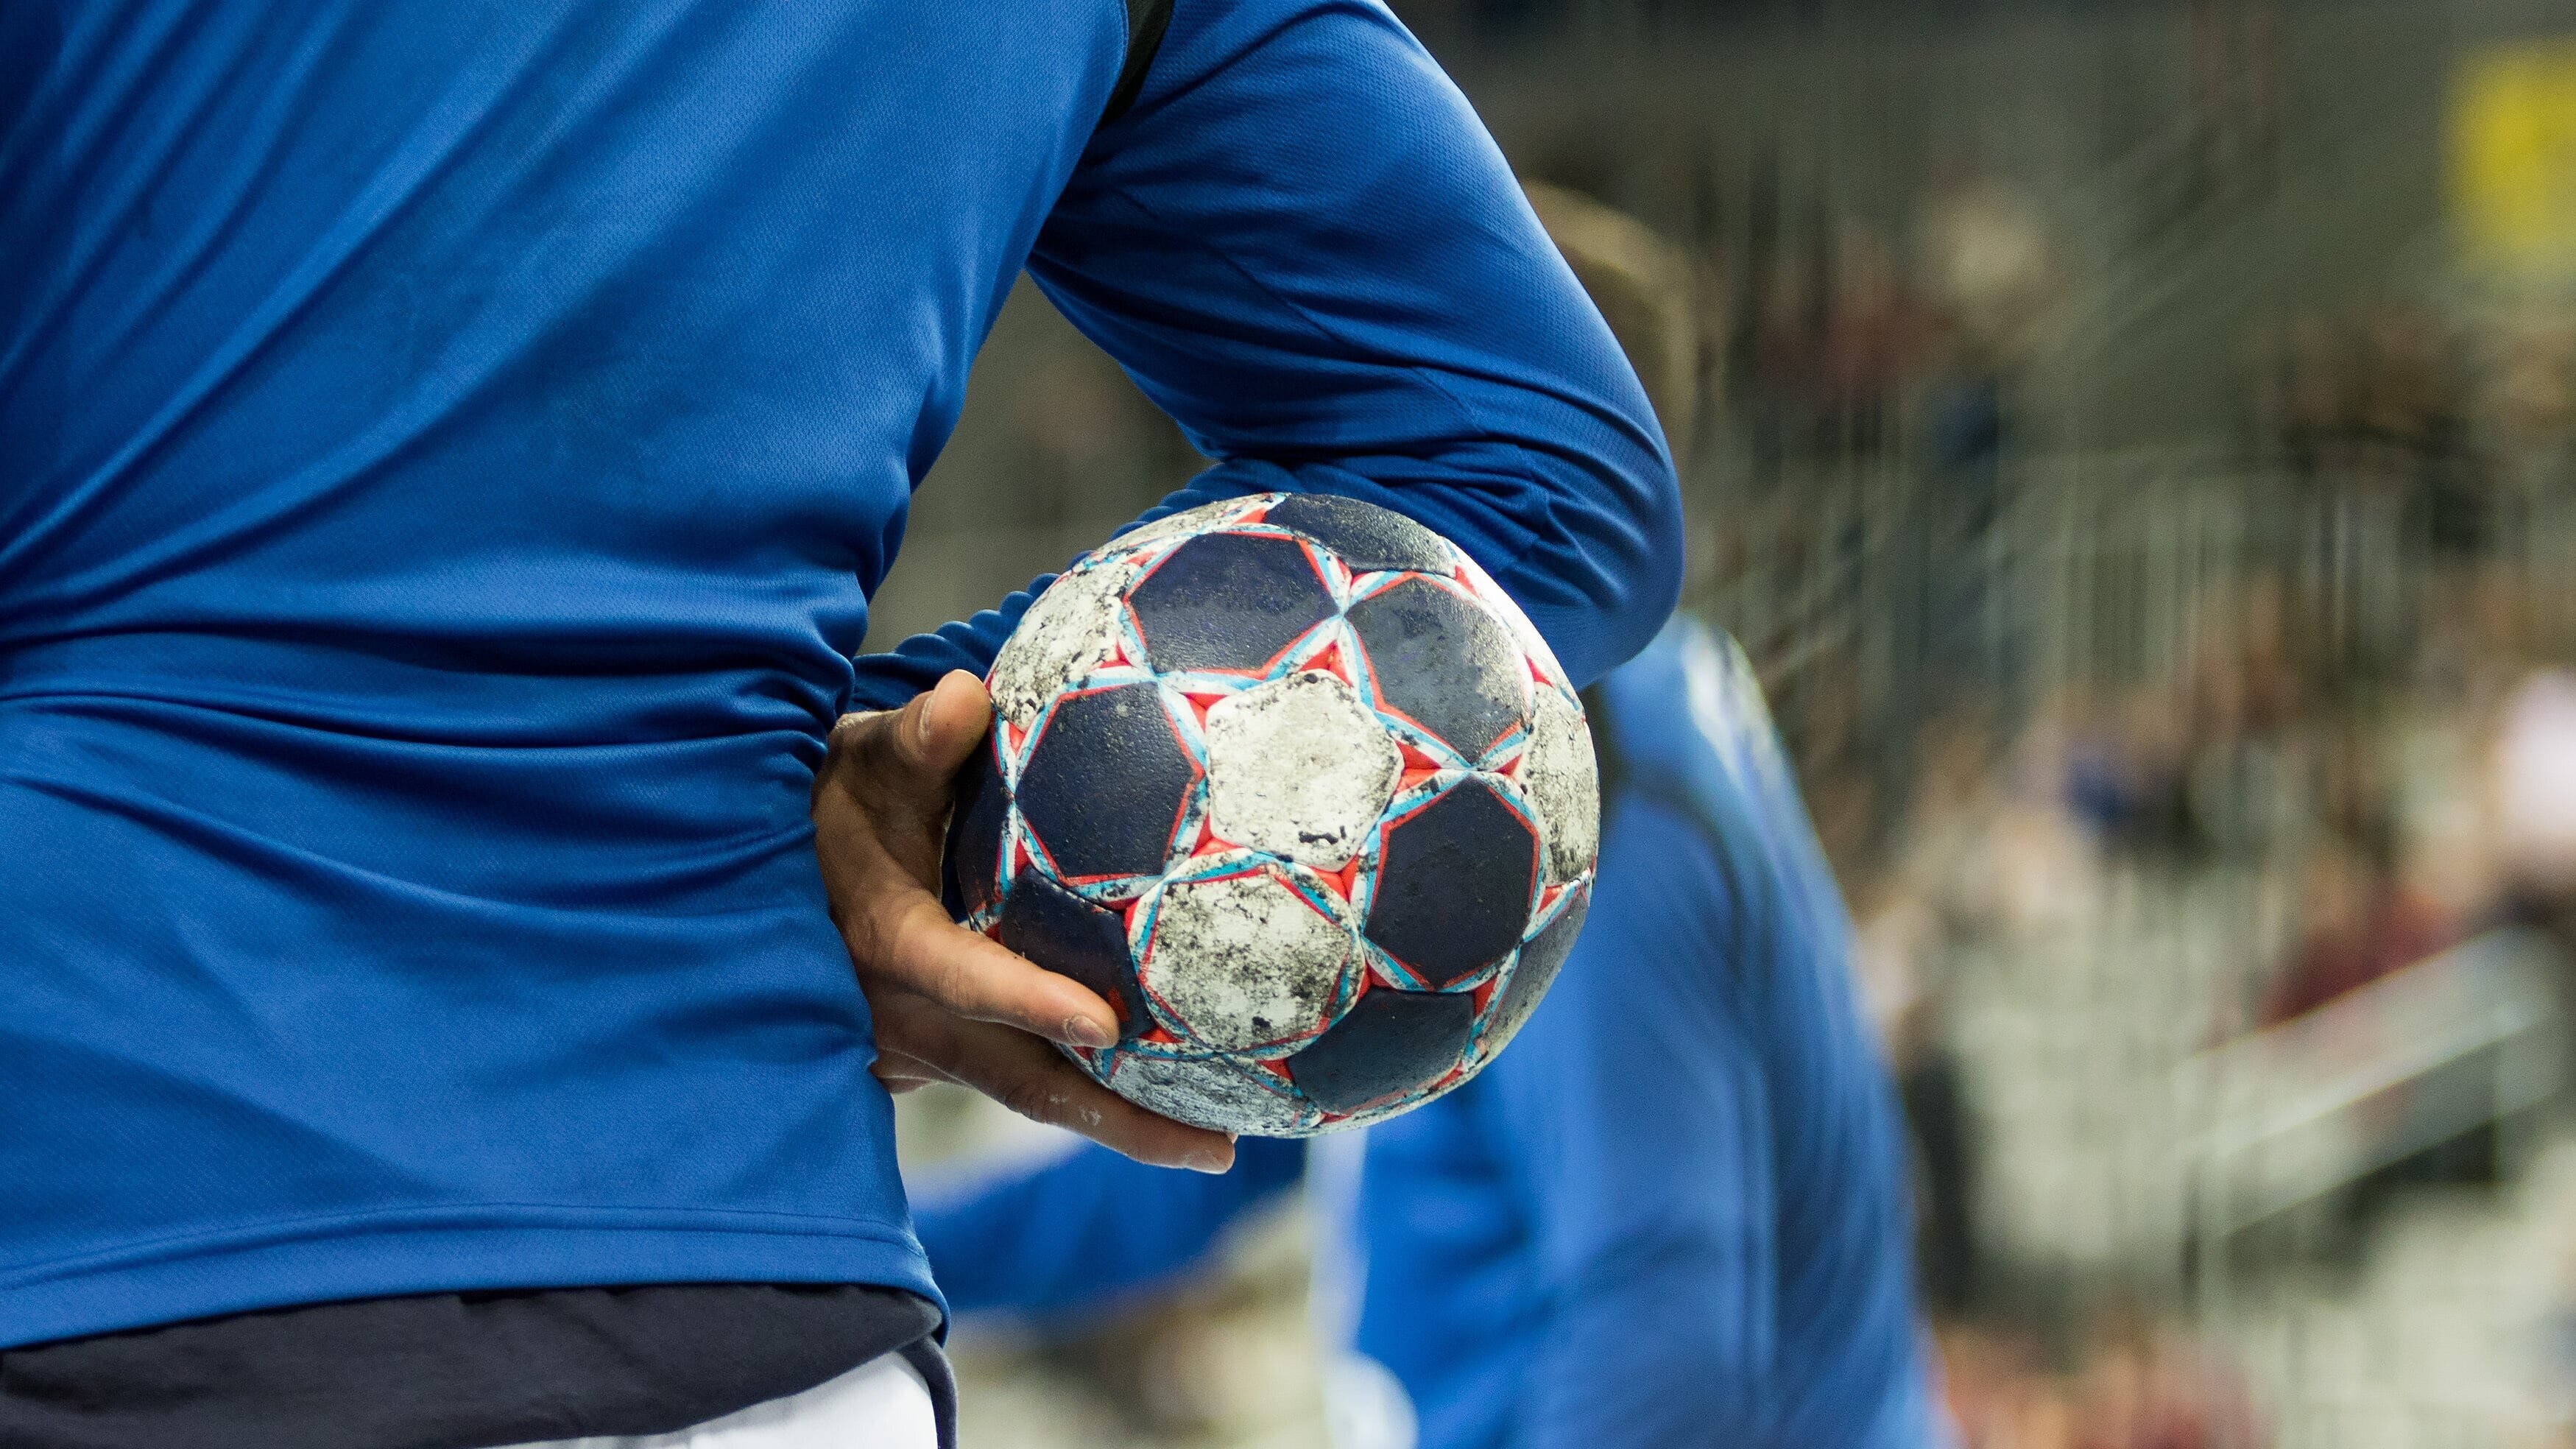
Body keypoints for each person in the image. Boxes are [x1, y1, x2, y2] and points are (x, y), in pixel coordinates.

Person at [0, 1, 1682, 1445]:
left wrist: (930, 749)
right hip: (764, 1321)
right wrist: (892, 762)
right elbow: (1537, 486)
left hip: (105, 1244)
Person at [914, 613, 1949, 1449]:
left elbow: (1660, 1333)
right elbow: (1207, 1157)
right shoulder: (1517, 722)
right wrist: (880, 1254)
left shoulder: (1568, 787)